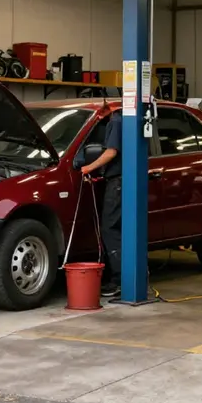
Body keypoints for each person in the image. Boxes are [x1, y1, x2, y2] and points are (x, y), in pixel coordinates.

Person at [80, 110, 123, 298]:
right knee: (120, 228)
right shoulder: (124, 118)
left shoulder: (116, 120)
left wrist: (88, 168)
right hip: (123, 180)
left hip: (118, 182)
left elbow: (111, 151)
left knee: (110, 228)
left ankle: (120, 280)